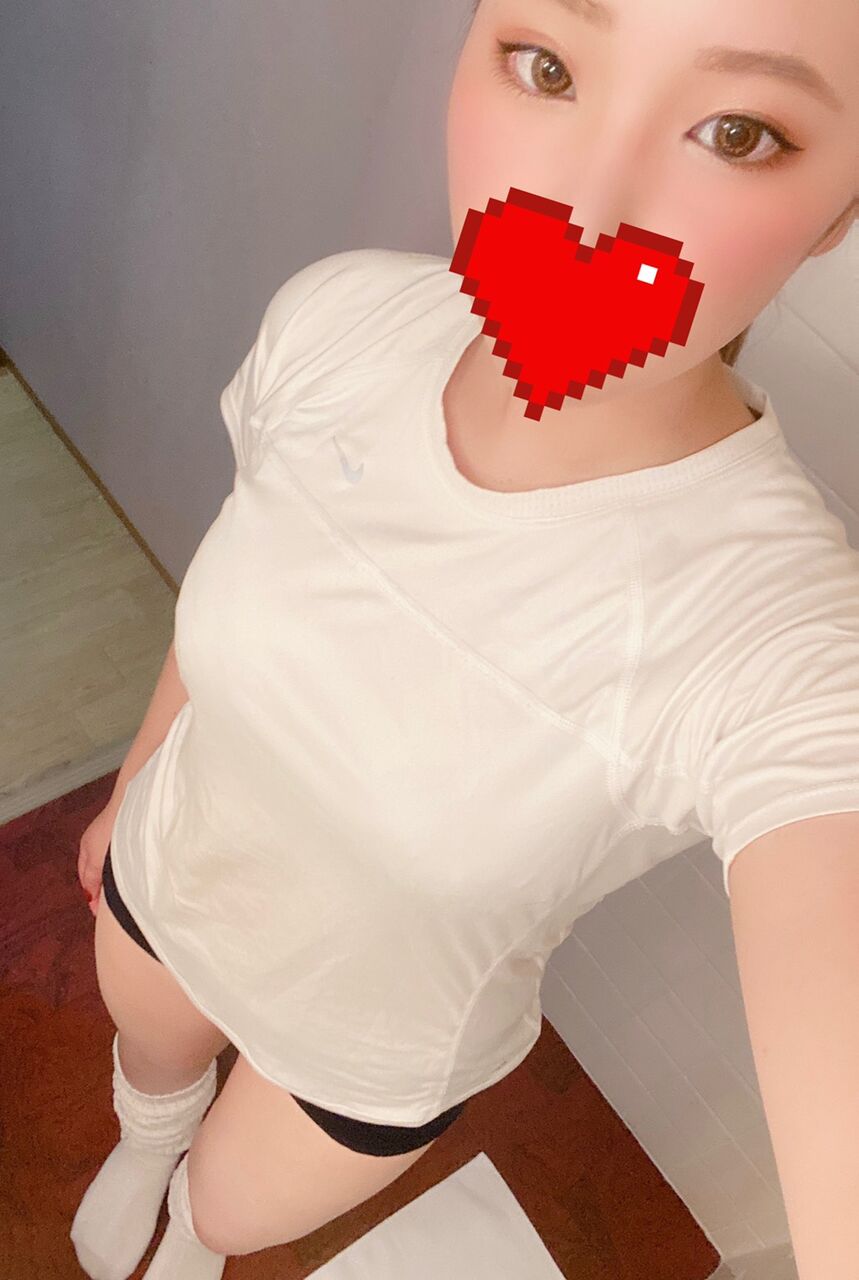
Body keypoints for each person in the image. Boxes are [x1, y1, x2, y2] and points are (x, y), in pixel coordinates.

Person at [72, 1, 859, 1277]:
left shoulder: (778, 634)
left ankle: (193, 1232)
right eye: (545, 65)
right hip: (170, 878)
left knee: (225, 1212)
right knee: (151, 1072)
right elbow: (232, 583)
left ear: (838, 208)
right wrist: (134, 781)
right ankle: (146, 1136)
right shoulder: (340, 319)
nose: (585, 210)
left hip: (365, 1050)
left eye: (737, 131)